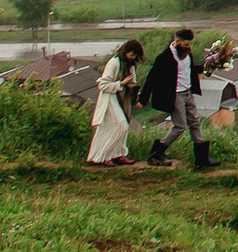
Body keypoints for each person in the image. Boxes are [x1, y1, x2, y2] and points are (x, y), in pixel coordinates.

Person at [140, 27, 210, 170]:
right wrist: (143, 99)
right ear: (176, 41)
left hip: (188, 92)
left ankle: (201, 159)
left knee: (195, 123)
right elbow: (151, 79)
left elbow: (189, 70)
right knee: (180, 126)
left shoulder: (186, 54)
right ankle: (156, 154)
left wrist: (206, 67)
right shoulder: (164, 58)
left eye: (189, 44)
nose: (188, 47)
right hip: (175, 95)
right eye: (185, 44)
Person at [88, 38, 144, 166]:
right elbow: (102, 85)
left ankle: (118, 154)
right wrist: (121, 84)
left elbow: (133, 83)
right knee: (121, 126)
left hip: (123, 98)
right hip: (111, 97)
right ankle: (103, 156)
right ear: (125, 51)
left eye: (135, 55)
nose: (133, 57)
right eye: (131, 54)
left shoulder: (130, 64)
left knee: (118, 127)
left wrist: (136, 99)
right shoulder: (114, 63)